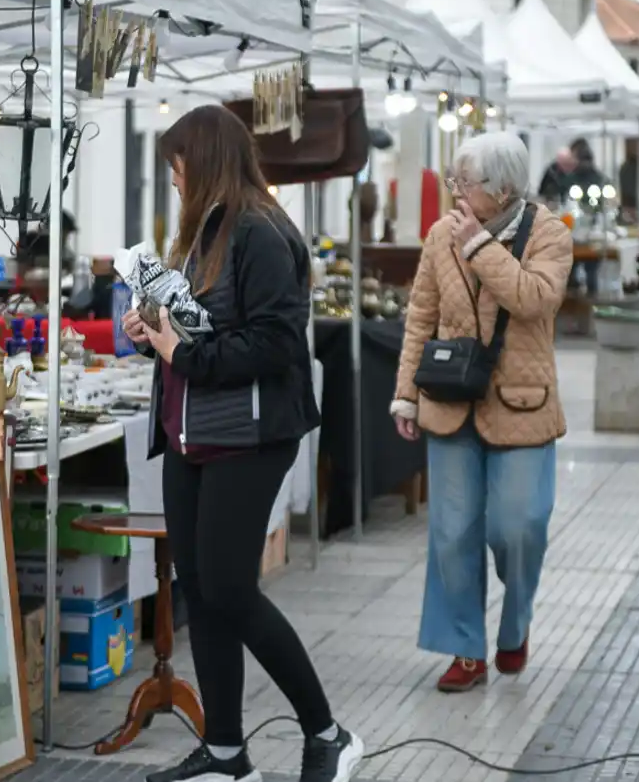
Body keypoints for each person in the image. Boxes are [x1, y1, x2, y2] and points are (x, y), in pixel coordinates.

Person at [121, 104, 362, 782]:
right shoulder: (204, 231)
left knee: (228, 587)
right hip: (190, 435)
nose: (171, 179)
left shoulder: (258, 232)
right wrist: (154, 337)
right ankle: (226, 752)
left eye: (176, 165)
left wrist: (184, 355)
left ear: (202, 161)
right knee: (199, 589)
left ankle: (328, 732)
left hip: (248, 436)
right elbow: (197, 331)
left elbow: (280, 341)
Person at [390, 132, 572, 693]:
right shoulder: (440, 235)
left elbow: (535, 298)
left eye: (464, 183)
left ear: (503, 188)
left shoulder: (548, 234)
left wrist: (478, 247)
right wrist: (406, 394)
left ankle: (514, 629)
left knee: (519, 527)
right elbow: (421, 314)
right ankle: (464, 648)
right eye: (456, 180)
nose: (456, 193)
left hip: (523, 403)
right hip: (448, 402)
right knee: (451, 532)